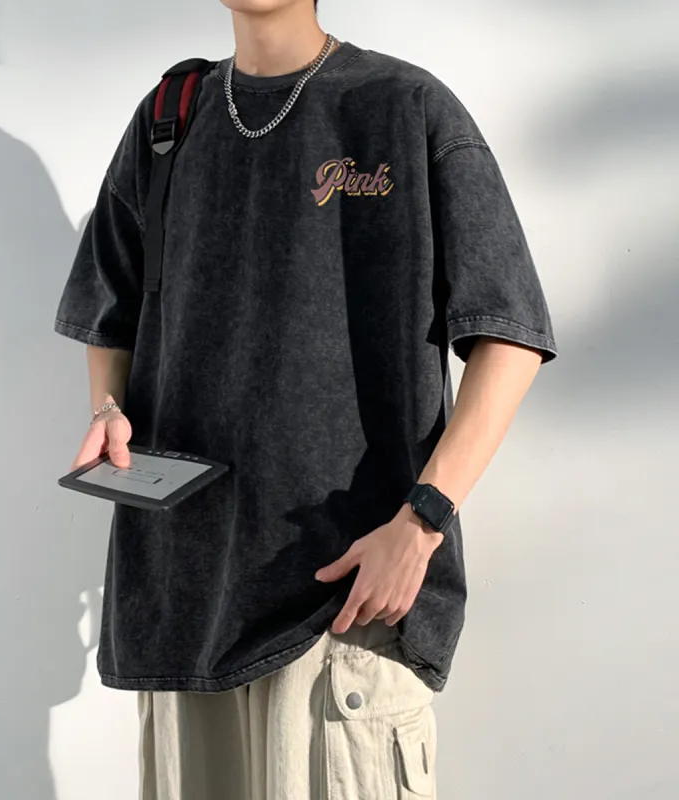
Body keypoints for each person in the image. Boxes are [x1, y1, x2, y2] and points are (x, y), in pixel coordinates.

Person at [53, 0, 558, 797]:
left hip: (343, 606)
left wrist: (422, 521)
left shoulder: (403, 107)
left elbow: (510, 335)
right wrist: (107, 411)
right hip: (183, 611)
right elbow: (109, 311)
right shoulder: (167, 120)